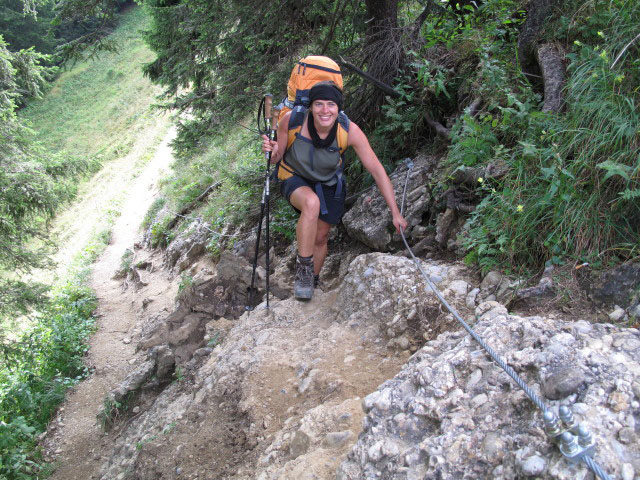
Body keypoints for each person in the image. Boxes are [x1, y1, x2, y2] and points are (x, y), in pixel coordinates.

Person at [262, 81, 407, 300]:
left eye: (331, 104)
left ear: (338, 108)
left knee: (321, 237)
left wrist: (395, 212)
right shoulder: (291, 121)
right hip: (293, 176)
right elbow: (275, 159)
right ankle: (303, 273)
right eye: (318, 104)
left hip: (328, 183)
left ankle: (313, 280)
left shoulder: (349, 131)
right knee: (311, 204)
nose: (325, 110)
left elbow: (377, 170)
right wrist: (270, 150)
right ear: (310, 106)